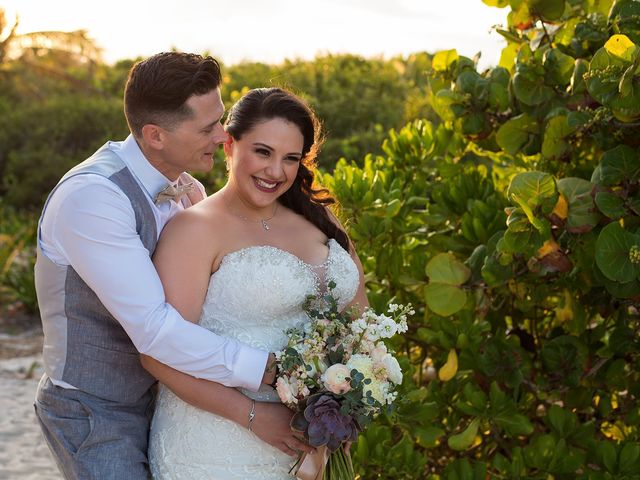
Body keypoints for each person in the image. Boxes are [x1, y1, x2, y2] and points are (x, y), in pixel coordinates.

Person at [33, 52, 283, 479]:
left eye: (220, 119)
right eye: (207, 128)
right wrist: (267, 368)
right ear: (155, 135)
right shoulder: (93, 198)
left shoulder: (186, 188)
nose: (223, 136)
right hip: (96, 409)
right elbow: (153, 329)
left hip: (168, 400)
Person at [140, 87, 368, 479]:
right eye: (263, 152)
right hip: (216, 445)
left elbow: (361, 325)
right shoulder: (194, 230)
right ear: (229, 145)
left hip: (311, 445)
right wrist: (253, 416)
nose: (275, 171)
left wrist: (347, 407)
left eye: (290, 158)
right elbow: (158, 354)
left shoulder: (320, 221)